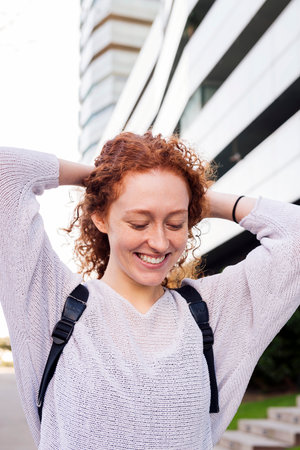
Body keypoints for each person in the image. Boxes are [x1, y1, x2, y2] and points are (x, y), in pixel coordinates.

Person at [0, 131, 299, 450]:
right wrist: (104, 181)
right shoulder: (51, 301)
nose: (159, 242)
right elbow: (6, 171)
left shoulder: (212, 313)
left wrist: (195, 199)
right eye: (140, 222)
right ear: (100, 216)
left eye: (174, 223)